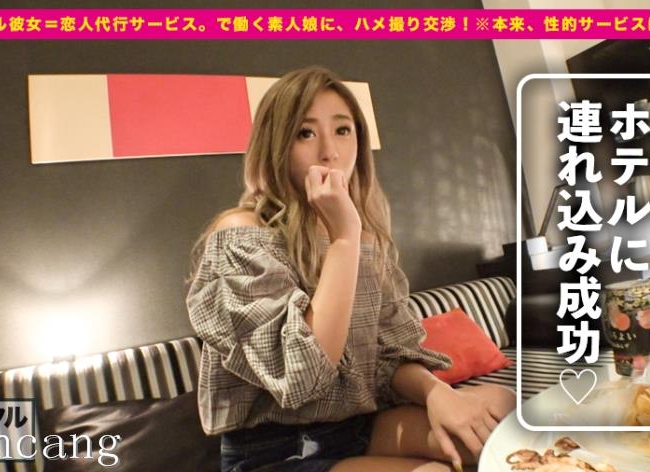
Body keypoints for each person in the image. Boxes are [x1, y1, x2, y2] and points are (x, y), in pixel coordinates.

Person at [186, 66, 515, 472]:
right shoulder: (242, 235)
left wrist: (436, 392)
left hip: (355, 426)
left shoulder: (364, 235)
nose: (330, 152)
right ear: (276, 146)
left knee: (501, 416)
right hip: (273, 449)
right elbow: (302, 376)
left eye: (342, 130)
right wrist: (344, 238)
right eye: (305, 133)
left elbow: (389, 354)